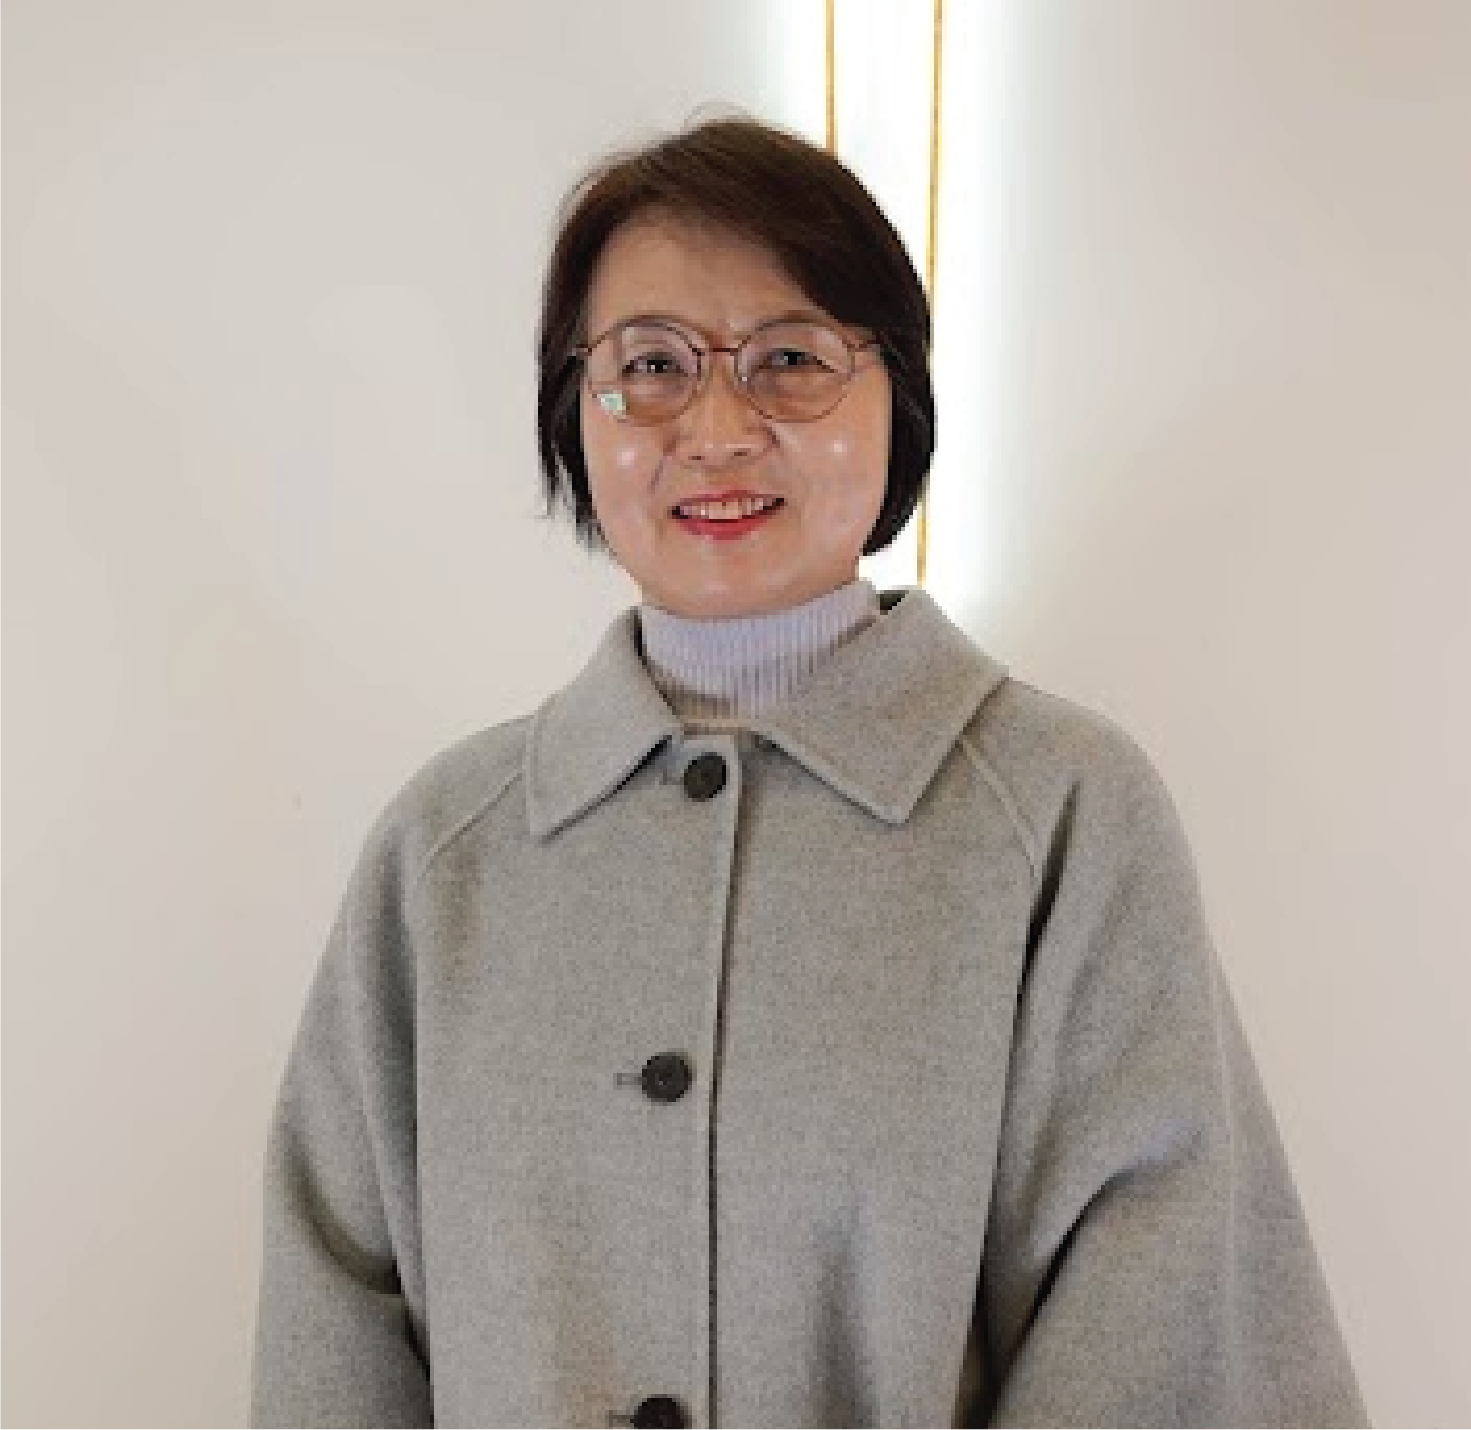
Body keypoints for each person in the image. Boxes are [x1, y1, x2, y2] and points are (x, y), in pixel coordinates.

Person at [249, 116, 1372, 1429]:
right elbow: (333, 1332)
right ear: (576, 417)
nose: (716, 427)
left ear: (897, 399)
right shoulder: (444, 851)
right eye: (650, 366)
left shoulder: (1060, 814)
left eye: (789, 359)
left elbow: (1156, 1325)